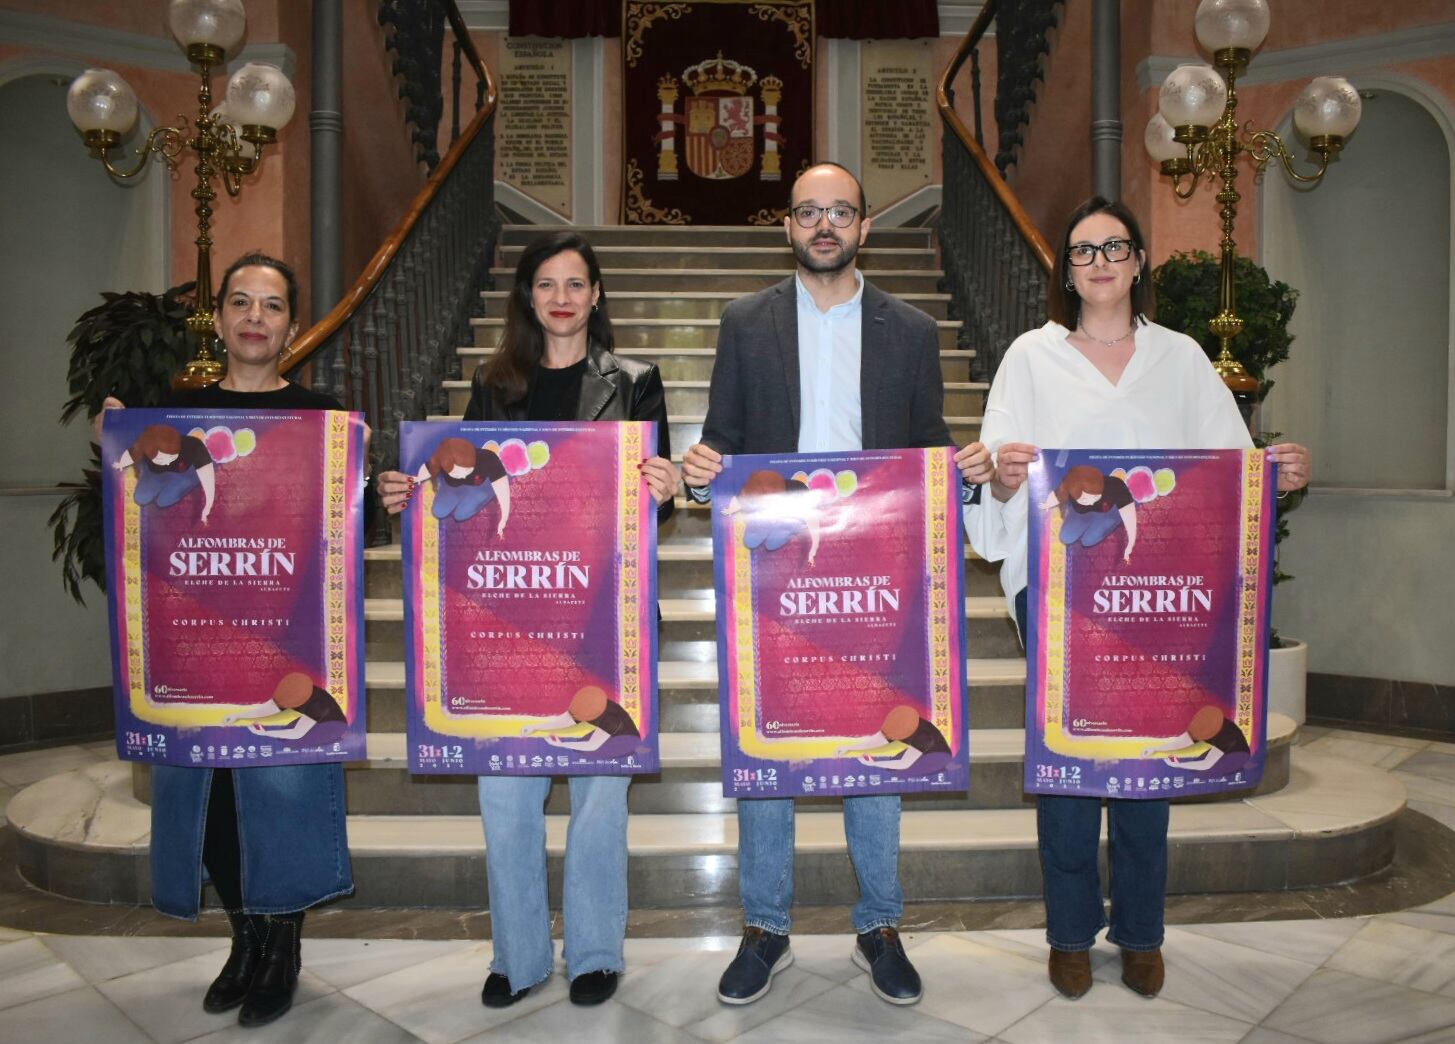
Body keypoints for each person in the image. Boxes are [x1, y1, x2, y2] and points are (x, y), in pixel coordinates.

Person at [965, 196, 1311, 1002]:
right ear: (1066, 271)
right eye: (1082, 251)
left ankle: (1142, 931)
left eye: (1113, 246)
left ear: (1138, 259)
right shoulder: (1029, 356)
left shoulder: (1182, 358)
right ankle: (1069, 932)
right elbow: (998, 472)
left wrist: (1275, 473)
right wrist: (1004, 476)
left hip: (1156, 589)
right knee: (1070, 757)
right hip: (1059, 586)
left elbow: (1229, 470)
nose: (1099, 262)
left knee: (1147, 752)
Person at [681, 161, 994, 1007]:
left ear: (864, 226)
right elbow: (720, 445)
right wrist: (701, 470)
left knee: (878, 744)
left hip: (876, 571)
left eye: (841, 212)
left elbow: (926, 449)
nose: (825, 225)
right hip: (774, 566)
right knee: (769, 741)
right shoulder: (744, 323)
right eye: (809, 213)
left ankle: (879, 923)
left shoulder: (913, 331)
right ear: (786, 226)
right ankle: (764, 926)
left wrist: (960, 472)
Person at [378, 230, 680, 1009]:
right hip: (511, 615)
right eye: (546, 284)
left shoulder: (637, 382)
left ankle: (593, 953)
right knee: (506, 791)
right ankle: (516, 955)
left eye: (576, 283)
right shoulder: (494, 384)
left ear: (597, 295)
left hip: (604, 614)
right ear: (527, 297)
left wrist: (664, 484)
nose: (561, 298)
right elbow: (468, 498)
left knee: (598, 793)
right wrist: (413, 497)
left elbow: (659, 507)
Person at [99, 252, 361, 1028]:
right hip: (199, 647)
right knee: (210, 802)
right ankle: (243, 939)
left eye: (271, 305)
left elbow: (346, 537)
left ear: (290, 324)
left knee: (282, 797)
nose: (255, 316)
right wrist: (114, 453)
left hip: (288, 645)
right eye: (240, 302)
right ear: (217, 319)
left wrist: (370, 481)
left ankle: (282, 947)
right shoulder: (174, 417)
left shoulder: (322, 415)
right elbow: (145, 521)